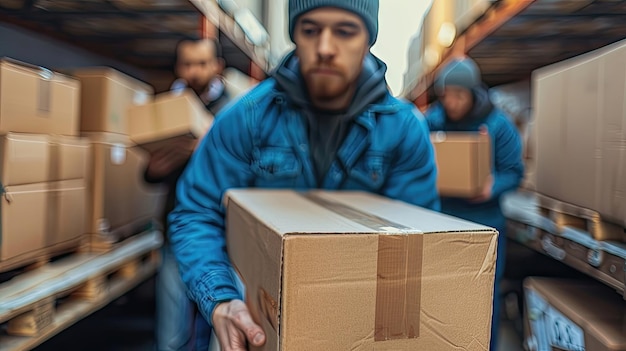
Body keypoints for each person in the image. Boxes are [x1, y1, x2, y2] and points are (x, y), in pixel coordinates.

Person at [168, 1, 440, 349]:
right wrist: (221, 299)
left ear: (369, 38)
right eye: (310, 30)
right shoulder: (247, 119)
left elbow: (413, 242)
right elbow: (197, 211)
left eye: (345, 31)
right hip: (261, 322)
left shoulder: (403, 130)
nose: (325, 48)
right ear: (294, 34)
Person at [425, 57, 524, 351]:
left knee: (482, 296)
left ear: (472, 93)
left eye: (458, 95)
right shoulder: (432, 120)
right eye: (446, 95)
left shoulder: (497, 125)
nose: (451, 102)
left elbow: (514, 172)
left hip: (485, 221)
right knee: (441, 293)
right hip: (443, 218)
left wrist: (493, 186)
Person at [144, 38, 229, 351]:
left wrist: (205, 149)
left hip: (222, 235)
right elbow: (150, 177)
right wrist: (155, 167)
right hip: (175, 231)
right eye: (187, 64)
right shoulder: (169, 107)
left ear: (217, 66)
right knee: (171, 330)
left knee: (216, 321)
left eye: (202, 63)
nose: (194, 71)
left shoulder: (233, 112)